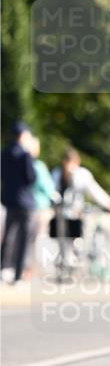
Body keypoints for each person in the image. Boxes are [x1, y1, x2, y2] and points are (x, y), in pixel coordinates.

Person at [50, 148, 110, 263]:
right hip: (61, 212)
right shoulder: (57, 174)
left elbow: (94, 191)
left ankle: (77, 254)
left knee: (80, 234)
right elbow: (51, 190)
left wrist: (109, 203)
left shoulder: (81, 175)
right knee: (61, 236)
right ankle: (64, 260)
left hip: (76, 212)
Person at [1, 120, 36, 284]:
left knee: (8, 236)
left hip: (9, 199)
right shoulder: (25, 155)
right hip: (25, 203)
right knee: (23, 239)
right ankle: (17, 275)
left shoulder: (4, 153)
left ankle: (2, 270)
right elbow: (31, 178)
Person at [27, 135, 60, 276]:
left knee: (27, 240)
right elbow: (49, 188)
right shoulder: (38, 167)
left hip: (26, 207)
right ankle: (32, 269)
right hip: (39, 207)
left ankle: (27, 267)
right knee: (37, 240)